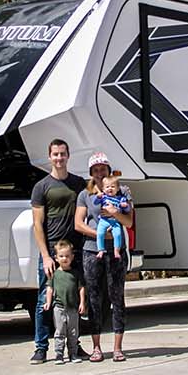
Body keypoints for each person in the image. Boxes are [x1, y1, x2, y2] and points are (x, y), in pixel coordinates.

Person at [29, 138, 86, 364]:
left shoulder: (78, 183)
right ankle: (41, 347)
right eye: (55, 154)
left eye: (63, 154)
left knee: (72, 300)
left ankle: (74, 345)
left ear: (68, 155)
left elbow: (98, 195)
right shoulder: (41, 187)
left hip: (75, 252)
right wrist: (45, 255)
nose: (59, 158)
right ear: (49, 156)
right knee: (46, 299)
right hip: (53, 254)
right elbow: (37, 224)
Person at [77, 151, 133, 362]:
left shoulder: (123, 190)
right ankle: (97, 347)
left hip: (117, 251)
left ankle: (118, 347)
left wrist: (115, 213)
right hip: (92, 251)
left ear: (109, 170)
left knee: (117, 297)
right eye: (96, 170)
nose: (100, 173)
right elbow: (78, 223)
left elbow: (128, 222)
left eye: (103, 169)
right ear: (91, 173)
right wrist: (99, 233)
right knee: (94, 299)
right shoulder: (86, 194)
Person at [43, 240, 87, 364]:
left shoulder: (75, 273)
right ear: (56, 258)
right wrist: (48, 302)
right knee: (60, 332)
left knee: (73, 332)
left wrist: (82, 303)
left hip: (73, 308)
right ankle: (59, 354)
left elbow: (81, 288)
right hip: (59, 307)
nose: (64, 259)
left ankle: (73, 353)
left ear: (72, 257)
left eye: (67, 256)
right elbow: (50, 289)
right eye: (61, 256)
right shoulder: (55, 274)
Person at [93, 172, 131, 261]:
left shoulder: (120, 199)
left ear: (118, 189)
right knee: (100, 233)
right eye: (107, 187)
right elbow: (95, 203)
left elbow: (127, 210)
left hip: (115, 221)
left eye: (113, 187)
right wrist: (98, 197)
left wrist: (125, 206)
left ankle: (116, 250)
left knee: (118, 234)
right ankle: (101, 250)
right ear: (103, 189)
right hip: (104, 220)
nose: (110, 189)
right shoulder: (103, 197)